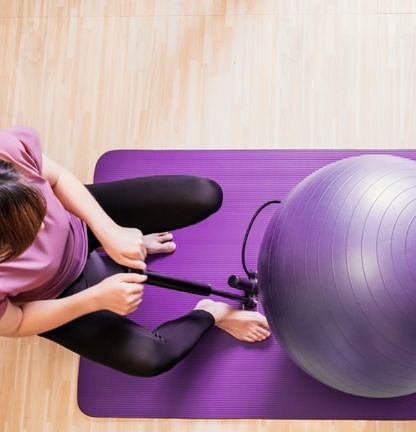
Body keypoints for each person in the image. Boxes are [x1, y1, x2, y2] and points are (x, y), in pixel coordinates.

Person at [0, 126, 270, 377]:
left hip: (79, 224)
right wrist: (94, 299)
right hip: (54, 294)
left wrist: (109, 230)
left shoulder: (5, 153)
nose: (44, 229)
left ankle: (118, 243)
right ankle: (213, 313)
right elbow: (17, 322)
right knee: (150, 358)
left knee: (204, 195)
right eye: (28, 235)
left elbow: (57, 178)